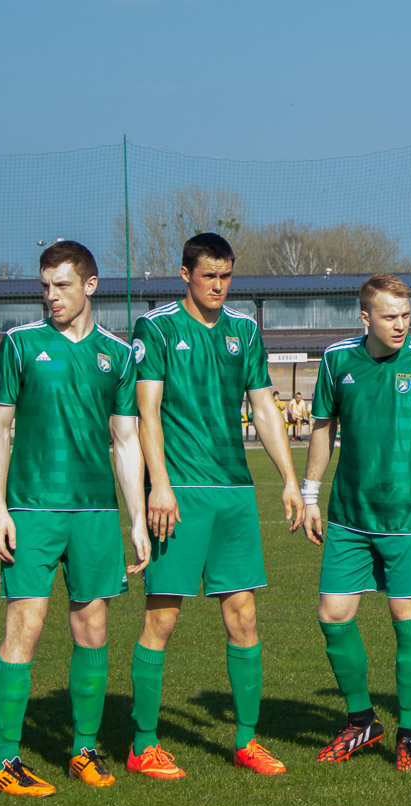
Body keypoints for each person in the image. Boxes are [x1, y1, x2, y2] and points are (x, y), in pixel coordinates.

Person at [130, 232, 304, 778]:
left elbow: (264, 407)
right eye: (209, 276)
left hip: (234, 492)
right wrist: (159, 482)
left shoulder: (244, 331)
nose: (219, 286)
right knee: (162, 618)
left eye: (226, 276)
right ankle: (142, 746)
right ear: (185, 274)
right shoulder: (156, 328)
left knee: (244, 616)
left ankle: (247, 741)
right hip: (179, 492)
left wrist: (290, 480)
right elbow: (146, 413)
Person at [0, 240, 151, 796]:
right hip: (31, 509)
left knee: (93, 628)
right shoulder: (21, 344)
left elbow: (125, 440)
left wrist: (135, 519)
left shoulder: (119, 355)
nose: (51, 296)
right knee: (24, 628)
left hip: (96, 512)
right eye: (45, 287)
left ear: (91, 285)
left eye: (62, 285)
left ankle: (83, 749)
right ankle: (4, 761)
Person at [302, 274, 411, 773]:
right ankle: (362, 722)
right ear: (365, 317)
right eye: (389, 316)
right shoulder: (337, 361)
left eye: (406, 316)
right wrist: (311, 494)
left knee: (406, 621)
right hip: (350, 517)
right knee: (332, 614)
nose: (400, 325)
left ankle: (409, 734)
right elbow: (322, 429)